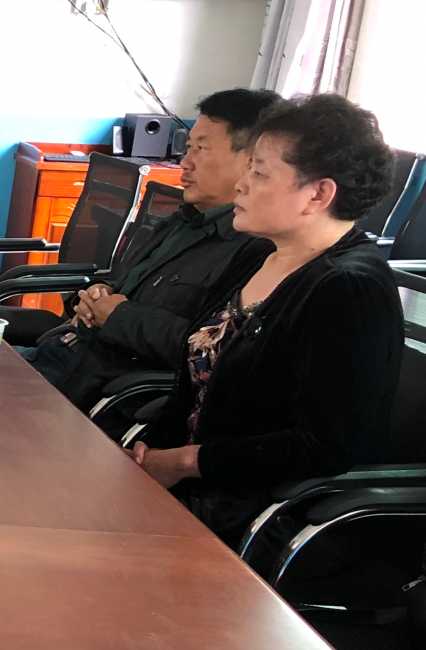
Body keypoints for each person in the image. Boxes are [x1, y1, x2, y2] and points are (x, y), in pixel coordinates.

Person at [131, 94, 403, 546]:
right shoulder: (259, 253)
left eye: (258, 173)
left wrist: (184, 462)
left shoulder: (348, 289)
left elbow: (322, 447)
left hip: (263, 516)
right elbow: (194, 382)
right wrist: (150, 453)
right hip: (189, 487)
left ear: (318, 194)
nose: (241, 185)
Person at [25, 89, 282, 416]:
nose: (185, 162)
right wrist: (95, 297)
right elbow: (122, 288)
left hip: (100, 392)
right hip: (67, 354)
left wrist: (118, 315)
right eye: (188, 147)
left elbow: (206, 350)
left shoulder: (254, 250)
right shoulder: (183, 220)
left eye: (201, 148)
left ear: (250, 162)